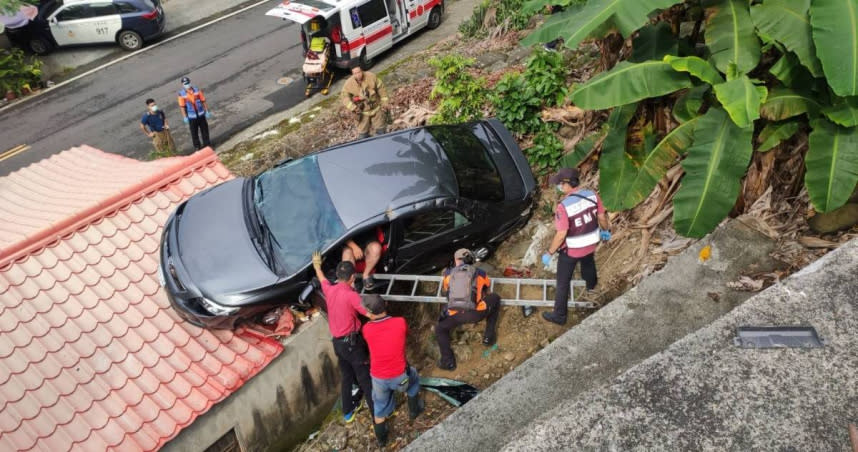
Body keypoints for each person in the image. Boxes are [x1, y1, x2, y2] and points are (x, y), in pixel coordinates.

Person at [541, 168, 611, 325]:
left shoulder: (563, 207)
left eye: (560, 184)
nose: (558, 187)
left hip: (572, 250)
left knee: (562, 282)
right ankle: (591, 286)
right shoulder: (592, 195)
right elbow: (601, 217)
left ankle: (559, 316)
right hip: (591, 243)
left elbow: (561, 235)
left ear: (567, 185)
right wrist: (606, 231)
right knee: (588, 261)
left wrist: (549, 252)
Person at [311, 251, 374, 423]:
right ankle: (378, 414)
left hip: (338, 343)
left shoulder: (330, 290)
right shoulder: (351, 295)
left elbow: (322, 278)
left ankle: (347, 412)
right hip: (352, 344)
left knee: (347, 377)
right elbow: (368, 313)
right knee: (364, 378)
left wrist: (316, 265)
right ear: (353, 277)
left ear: (338, 276)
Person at [361, 294, 423, 447]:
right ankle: (414, 410)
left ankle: (382, 441)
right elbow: (405, 334)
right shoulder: (400, 322)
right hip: (400, 377)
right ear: (386, 304)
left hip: (378, 379)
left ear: (368, 312)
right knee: (413, 379)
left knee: (379, 407)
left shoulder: (367, 329)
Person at [435, 248, 501, 370]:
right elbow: (487, 286)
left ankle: (448, 362)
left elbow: (446, 291)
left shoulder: (448, 274)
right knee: (495, 299)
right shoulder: (480, 272)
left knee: (440, 329)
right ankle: (488, 337)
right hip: (475, 313)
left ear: (456, 260)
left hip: (455, 315)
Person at [340, 66, 389, 139]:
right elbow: (344, 97)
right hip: (362, 113)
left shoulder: (371, 76)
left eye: (359, 72)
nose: (358, 75)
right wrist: (353, 108)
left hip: (376, 109)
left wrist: (385, 103)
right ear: (352, 74)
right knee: (363, 135)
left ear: (362, 71)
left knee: (381, 131)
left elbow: (381, 88)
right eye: (355, 73)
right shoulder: (348, 84)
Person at [177, 76, 212, 150]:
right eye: (185, 83)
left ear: (190, 82)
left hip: (201, 114)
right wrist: (185, 117)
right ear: (182, 84)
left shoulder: (197, 90)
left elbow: (203, 101)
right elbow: (182, 107)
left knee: (204, 131)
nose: (187, 84)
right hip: (191, 116)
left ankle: (207, 145)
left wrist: (207, 111)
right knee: (194, 133)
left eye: (188, 83)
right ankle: (197, 147)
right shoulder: (181, 94)